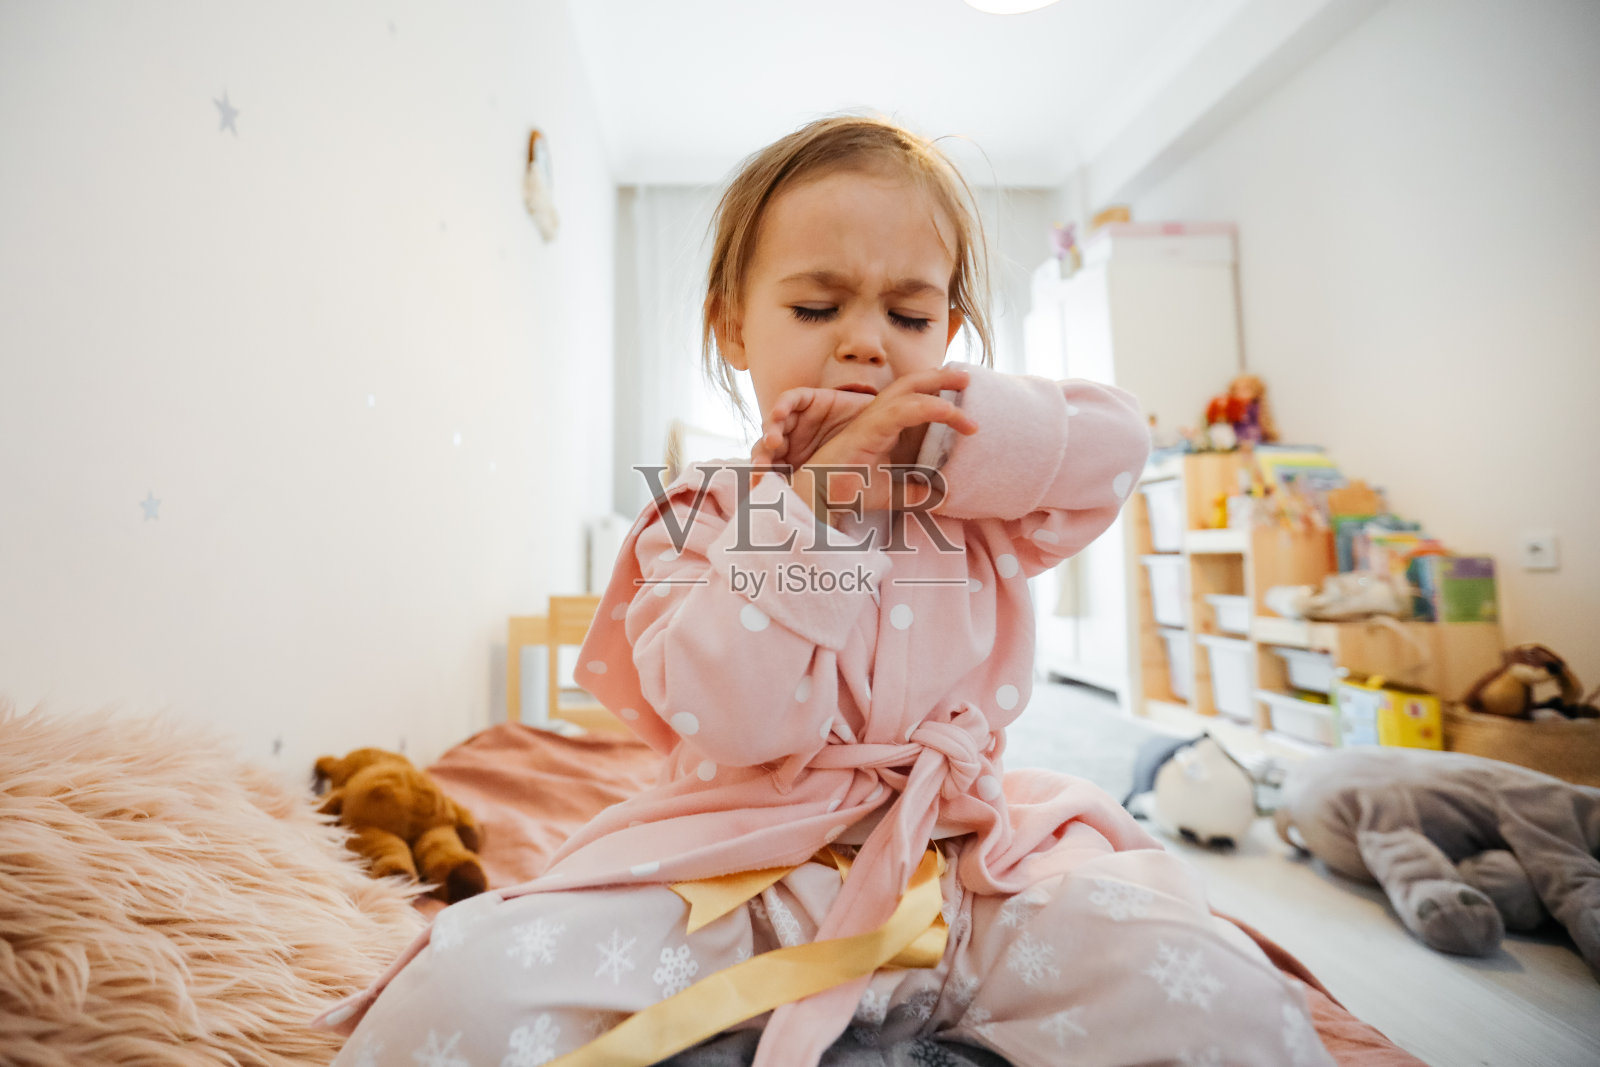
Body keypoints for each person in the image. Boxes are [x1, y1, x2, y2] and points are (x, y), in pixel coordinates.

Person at [319, 115, 1333, 1067]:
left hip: (971, 870)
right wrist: (817, 503)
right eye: (816, 307)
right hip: (742, 875)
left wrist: (945, 427)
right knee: (461, 992)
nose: (866, 340)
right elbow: (737, 713)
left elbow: (1114, 446)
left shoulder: (973, 483)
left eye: (909, 312)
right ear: (734, 328)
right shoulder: (701, 511)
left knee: (1232, 997)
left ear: (951, 330)